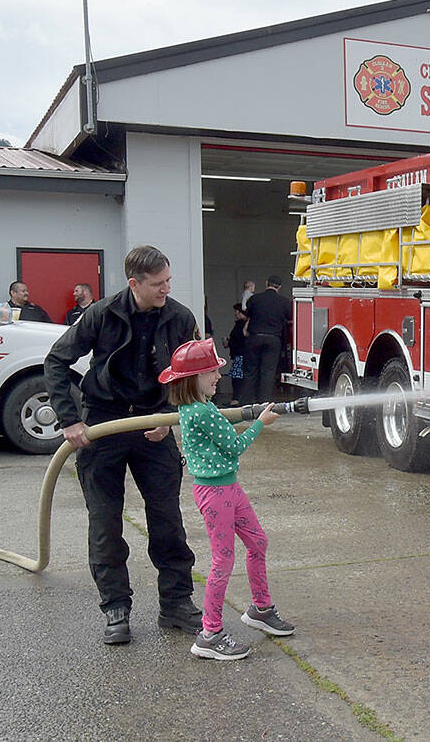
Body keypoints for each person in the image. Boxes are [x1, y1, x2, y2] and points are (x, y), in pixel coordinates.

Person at [43, 245, 203, 645]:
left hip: (154, 425)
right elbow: (56, 361)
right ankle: (116, 606)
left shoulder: (180, 317)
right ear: (134, 283)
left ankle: (177, 603)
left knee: (167, 518)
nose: (166, 289)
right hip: (103, 425)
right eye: (157, 284)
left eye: (168, 281)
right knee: (105, 522)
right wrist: (70, 420)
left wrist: (171, 416)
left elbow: (193, 374)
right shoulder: (101, 314)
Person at [160, 338, 294, 660]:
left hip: (228, 488)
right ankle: (210, 633)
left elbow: (222, 422)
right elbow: (234, 446)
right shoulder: (200, 412)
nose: (218, 376)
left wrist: (247, 414)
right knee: (223, 561)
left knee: (257, 542)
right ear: (194, 379)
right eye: (211, 372)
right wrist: (260, 423)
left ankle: (260, 609)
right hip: (216, 493)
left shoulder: (200, 408)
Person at [239, 275, 291, 405]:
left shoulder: (255, 299)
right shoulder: (284, 302)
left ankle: (246, 403)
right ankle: (264, 403)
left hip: (255, 337)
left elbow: (245, 316)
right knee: (268, 372)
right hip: (273, 339)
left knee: (250, 371)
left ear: (266, 283)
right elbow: (290, 318)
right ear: (279, 287)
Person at [227, 303, 249, 406]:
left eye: (237, 312)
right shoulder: (243, 324)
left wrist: (229, 342)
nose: (235, 314)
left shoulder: (241, 324)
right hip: (241, 354)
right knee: (238, 377)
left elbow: (237, 338)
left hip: (241, 354)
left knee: (237, 378)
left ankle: (236, 398)